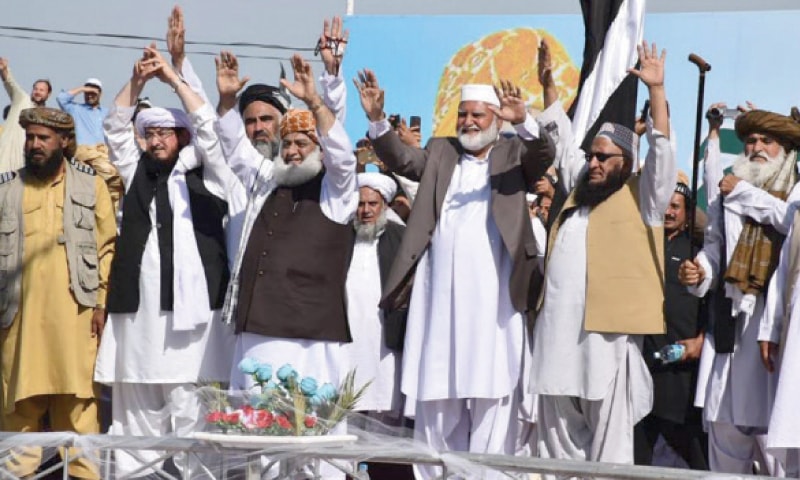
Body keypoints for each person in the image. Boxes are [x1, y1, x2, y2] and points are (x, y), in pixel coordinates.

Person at [354, 61, 554, 477]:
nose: (467, 122)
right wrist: (376, 120)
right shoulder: (442, 150)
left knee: (492, 400)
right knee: (436, 404)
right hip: (439, 306)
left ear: (496, 119)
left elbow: (544, 154)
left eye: (477, 115)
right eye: (463, 114)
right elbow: (404, 159)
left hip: (494, 309)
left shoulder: (513, 151)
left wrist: (527, 122)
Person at [94, 45, 239, 478]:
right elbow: (115, 126)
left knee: (193, 418)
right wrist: (137, 81)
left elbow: (210, 128)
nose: (156, 140)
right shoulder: (133, 169)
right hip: (138, 324)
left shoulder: (207, 172)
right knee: (133, 418)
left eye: (166, 133)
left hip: (192, 329)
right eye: (151, 133)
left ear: (181, 138)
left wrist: (175, 80)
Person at [529, 41, 675, 468]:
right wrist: (549, 88)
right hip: (556, 339)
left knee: (609, 456)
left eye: (603, 157)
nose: (593, 163)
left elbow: (663, 155)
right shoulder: (579, 194)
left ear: (626, 160)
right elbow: (562, 141)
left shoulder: (642, 197)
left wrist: (658, 92)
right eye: (591, 156)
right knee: (558, 452)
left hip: (606, 342)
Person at [679, 104, 800, 475]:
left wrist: (744, 192)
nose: (756, 146)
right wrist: (701, 272)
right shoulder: (729, 190)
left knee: (778, 445)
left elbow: (790, 223)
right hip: (731, 333)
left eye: (767, 140)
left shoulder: (793, 189)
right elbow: (717, 247)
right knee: (726, 441)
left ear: (786, 149)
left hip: (773, 334)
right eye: (750, 140)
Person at [0, 107, 115, 479]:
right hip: (18, 320)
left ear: (64, 142)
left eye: (43, 138)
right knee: (19, 414)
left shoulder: (90, 184)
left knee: (79, 412)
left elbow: (106, 247)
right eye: (30, 137)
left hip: (77, 319)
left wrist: (101, 302)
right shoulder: (6, 188)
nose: (34, 145)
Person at [634, 177, 708, 470]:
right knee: (636, 453)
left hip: (682, 368)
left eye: (676, 207)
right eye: (664, 205)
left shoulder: (698, 250)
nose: (668, 212)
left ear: (688, 214)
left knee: (695, 450)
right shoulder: (643, 243)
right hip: (643, 364)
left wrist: (701, 342)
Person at [57, 77, 123, 214]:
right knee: (111, 175)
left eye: (94, 92)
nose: (90, 95)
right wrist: (82, 88)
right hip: (84, 151)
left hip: (103, 153)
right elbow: (61, 98)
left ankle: (110, 217)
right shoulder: (75, 109)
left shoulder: (106, 112)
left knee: (115, 185)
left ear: (100, 94)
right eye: (88, 92)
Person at [0, 58, 52, 173]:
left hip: (22, 166)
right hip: (4, 159)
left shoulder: (46, 118)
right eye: (36, 89)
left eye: (42, 90)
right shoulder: (22, 99)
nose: (37, 92)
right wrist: (4, 70)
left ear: (48, 94)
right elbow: (10, 83)